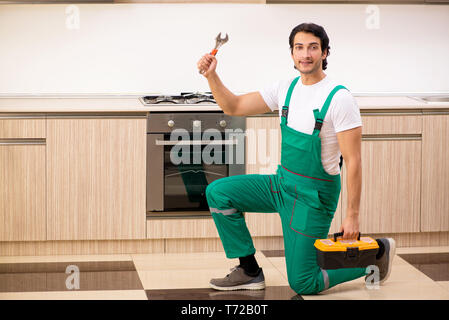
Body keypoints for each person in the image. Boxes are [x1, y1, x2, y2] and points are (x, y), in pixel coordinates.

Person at [197, 22, 395, 295]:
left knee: (304, 282)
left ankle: (374, 258)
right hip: (282, 185)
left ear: (325, 53)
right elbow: (234, 106)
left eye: (313, 47)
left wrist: (352, 216)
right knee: (219, 192)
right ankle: (249, 270)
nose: (305, 54)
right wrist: (211, 76)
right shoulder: (285, 89)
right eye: (299, 48)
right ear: (291, 54)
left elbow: (354, 161)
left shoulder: (340, 98)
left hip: (313, 197)